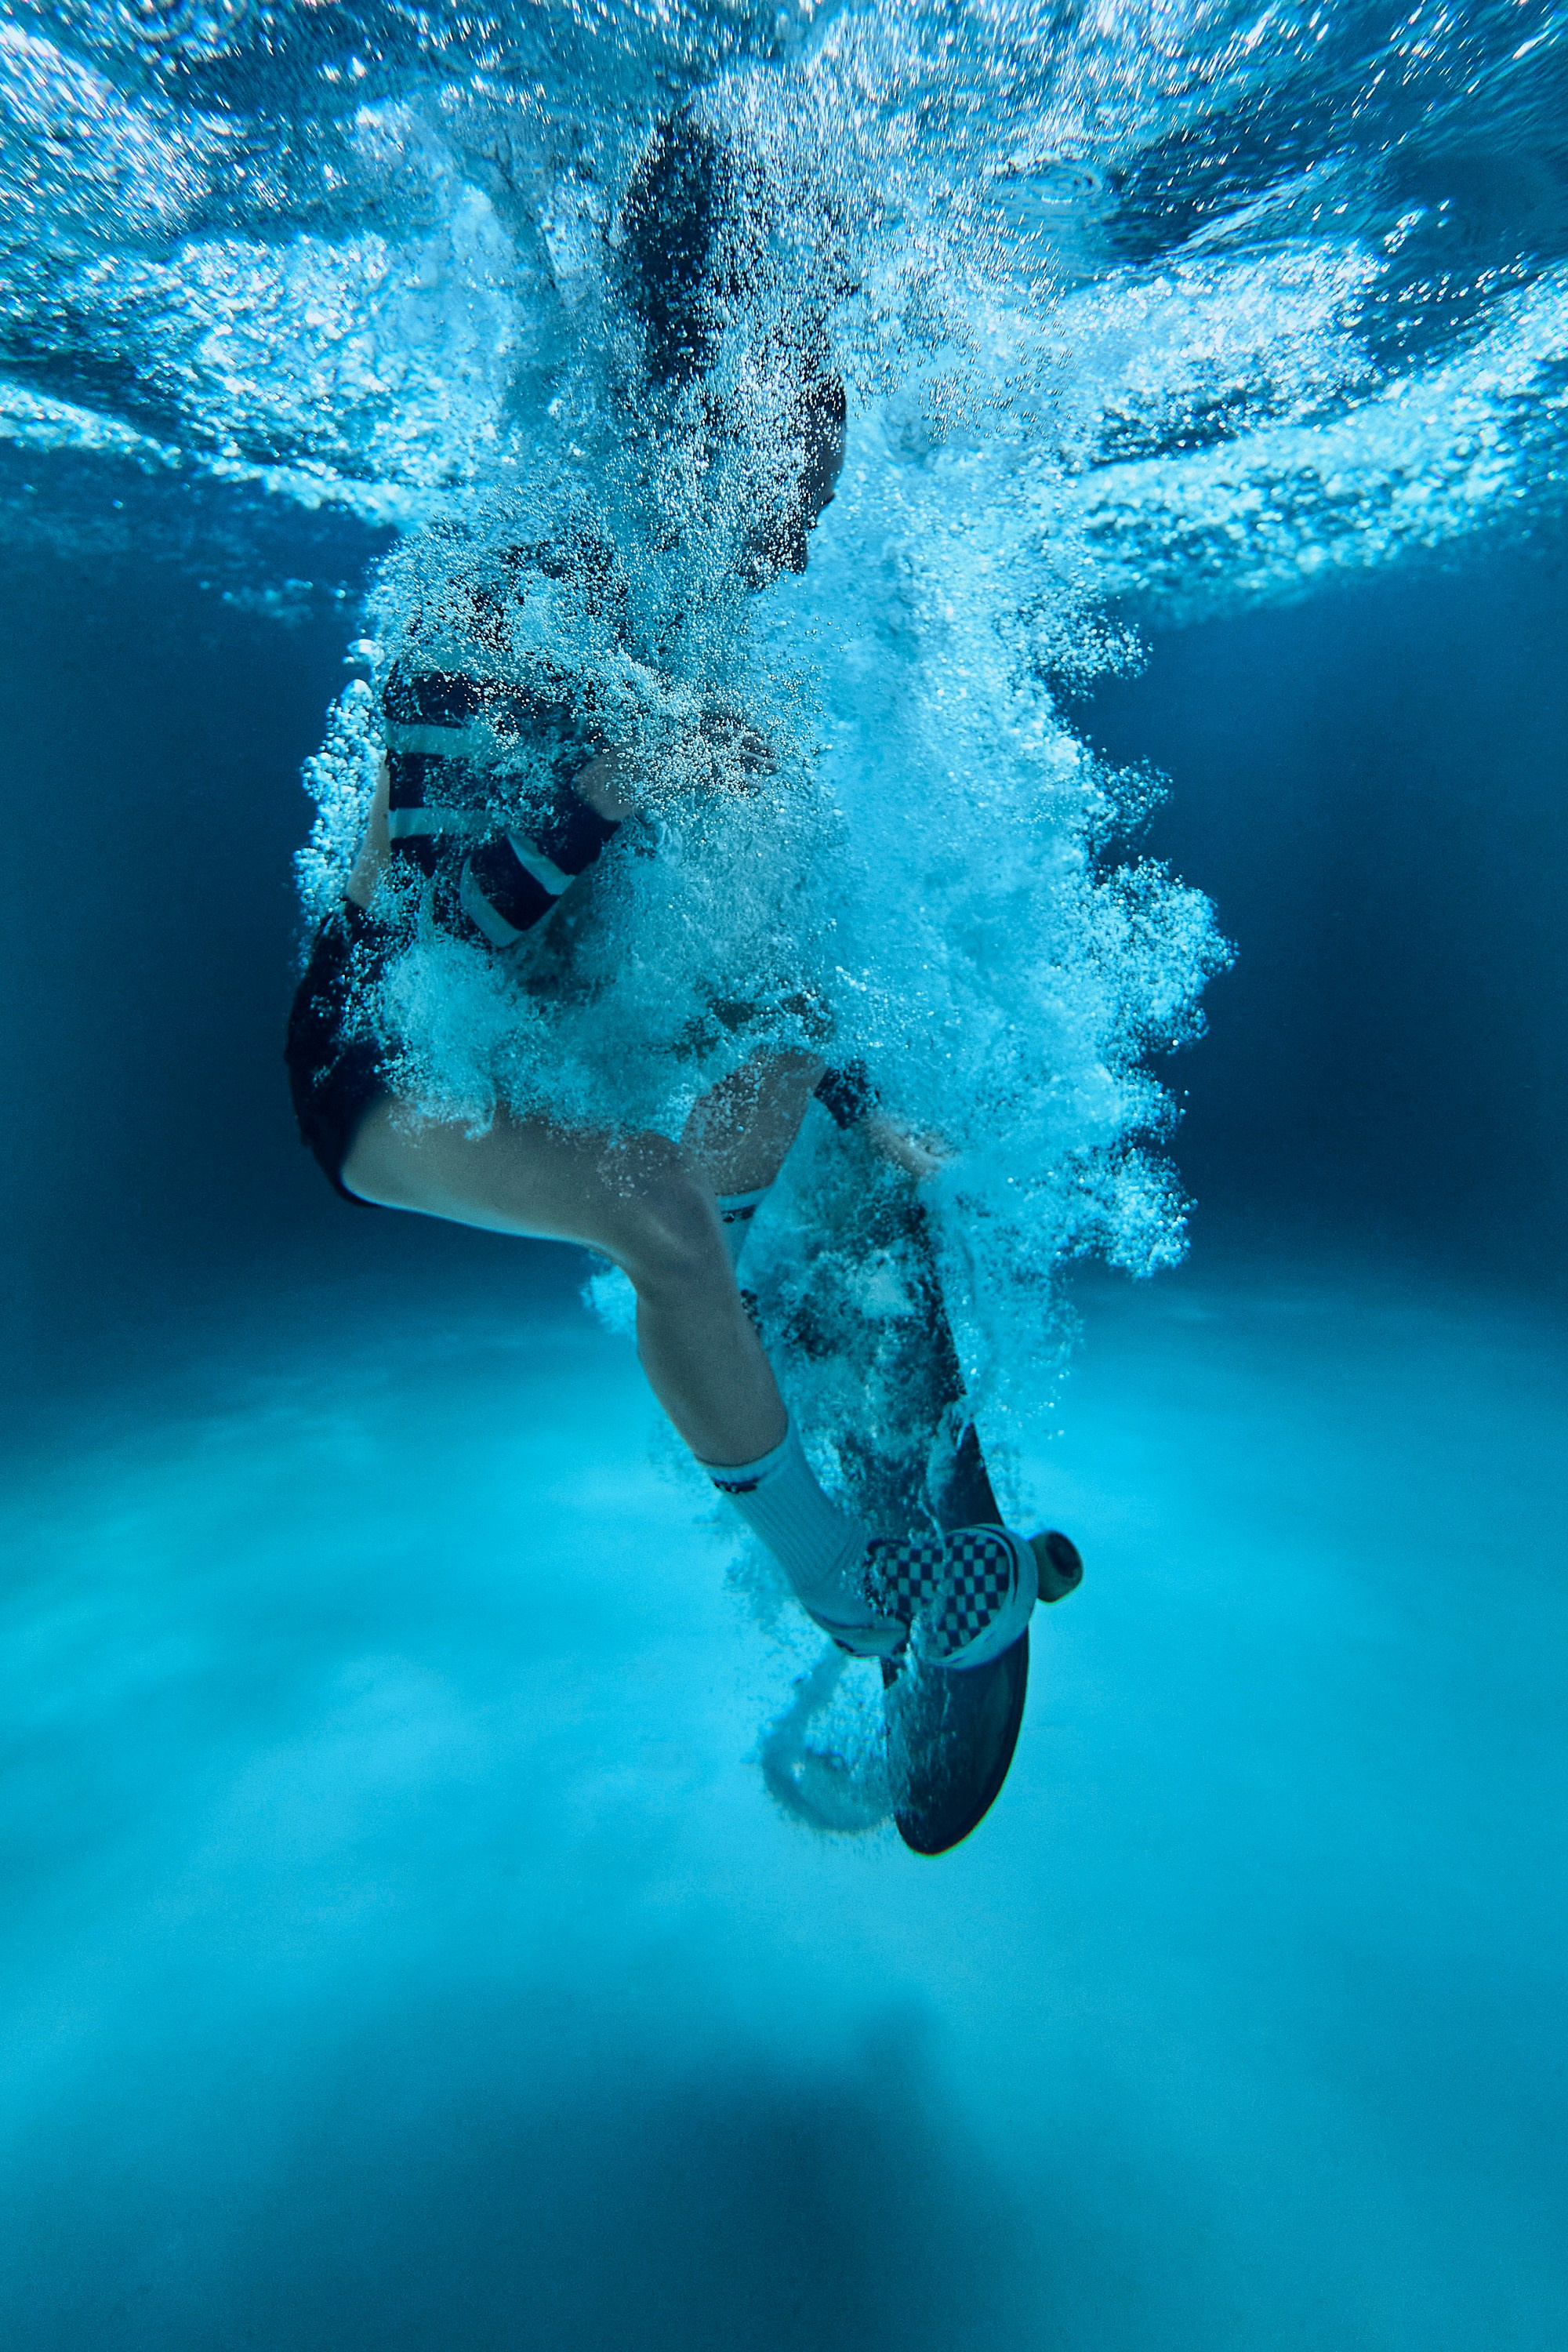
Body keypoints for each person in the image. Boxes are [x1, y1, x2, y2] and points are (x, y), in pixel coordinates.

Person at [285, 113, 1080, 1849]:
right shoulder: (508, 601)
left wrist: (870, 1109)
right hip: (384, 1051)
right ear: (707, 414)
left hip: (552, 1022)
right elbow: (435, 948)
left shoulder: (686, 605)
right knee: (660, 1210)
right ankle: (847, 1589)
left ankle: (818, 1316)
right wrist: (623, 785)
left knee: (783, 1069)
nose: (820, 506)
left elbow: (743, 956)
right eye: (807, 450)